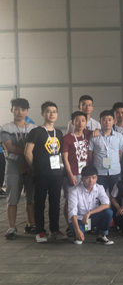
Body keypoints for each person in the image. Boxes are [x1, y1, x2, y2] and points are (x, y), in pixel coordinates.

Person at [24, 101, 66, 243]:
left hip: (56, 174)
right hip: (41, 174)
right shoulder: (36, 132)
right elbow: (27, 152)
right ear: (43, 113)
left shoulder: (58, 133)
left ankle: (54, 229)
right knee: (40, 203)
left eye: (54, 111)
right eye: (48, 111)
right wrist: (35, 167)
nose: (51, 114)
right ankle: (40, 231)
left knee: (55, 203)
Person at [1, 98, 36, 239]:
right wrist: (28, 151)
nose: (19, 112)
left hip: (30, 165)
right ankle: (12, 227)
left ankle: (31, 224)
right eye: (16, 109)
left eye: (23, 109)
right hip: (13, 167)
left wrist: (29, 158)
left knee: (31, 197)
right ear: (12, 110)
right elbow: (10, 147)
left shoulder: (33, 128)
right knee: (12, 198)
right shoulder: (6, 128)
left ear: (27, 111)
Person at [68, 165, 114, 245]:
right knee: (78, 239)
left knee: (108, 212)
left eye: (93, 178)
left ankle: (101, 236)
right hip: (80, 220)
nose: (90, 181)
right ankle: (79, 232)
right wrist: (78, 231)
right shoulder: (74, 191)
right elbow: (72, 212)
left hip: (91, 220)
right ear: (82, 179)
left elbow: (106, 204)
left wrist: (89, 213)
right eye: (87, 178)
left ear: (97, 178)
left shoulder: (99, 188)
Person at [62, 111, 92, 229]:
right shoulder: (67, 138)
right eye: (77, 120)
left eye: (83, 120)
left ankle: (85, 226)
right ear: (73, 122)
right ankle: (70, 226)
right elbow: (65, 158)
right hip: (72, 174)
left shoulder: (88, 134)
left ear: (86, 122)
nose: (80, 123)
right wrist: (70, 175)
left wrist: (96, 131)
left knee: (86, 200)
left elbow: (99, 132)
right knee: (70, 201)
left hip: (86, 175)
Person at [89, 110, 123, 192]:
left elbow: (121, 152)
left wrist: (115, 162)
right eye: (104, 120)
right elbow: (90, 154)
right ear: (100, 121)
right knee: (99, 195)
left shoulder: (119, 136)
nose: (107, 122)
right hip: (99, 172)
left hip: (115, 171)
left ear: (114, 121)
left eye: (109, 119)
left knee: (115, 195)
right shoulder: (94, 136)